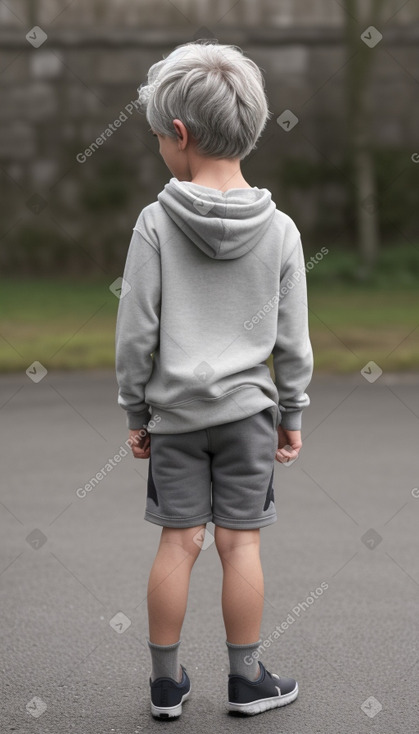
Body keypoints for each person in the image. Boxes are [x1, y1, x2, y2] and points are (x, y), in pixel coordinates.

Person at [115, 40, 313, 719]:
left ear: (179, 134)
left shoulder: (155, 223)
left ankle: (166, 686)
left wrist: (135, 413)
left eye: (156, 139)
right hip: (247, 416)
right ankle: (247, 679)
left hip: (173, 416)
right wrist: (290, 411)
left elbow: (137, 333)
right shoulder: (281, 230)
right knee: (239, 543)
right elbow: (291, 340)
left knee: (179, 541)